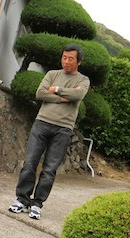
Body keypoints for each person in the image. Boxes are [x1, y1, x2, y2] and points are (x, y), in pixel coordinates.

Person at [8, 44, 90, 220]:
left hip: (63, 129)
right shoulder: (52, 74)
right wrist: (62, 98)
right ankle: (22, 200)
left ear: (79, 61)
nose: (66, 61)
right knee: (29, 163)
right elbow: (40, 93)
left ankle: (37, 204)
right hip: (42, 124)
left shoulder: (83, 80)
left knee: (49, 170)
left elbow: (78, 96)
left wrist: (57, 89)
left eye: (71, 58)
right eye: (64, 57)